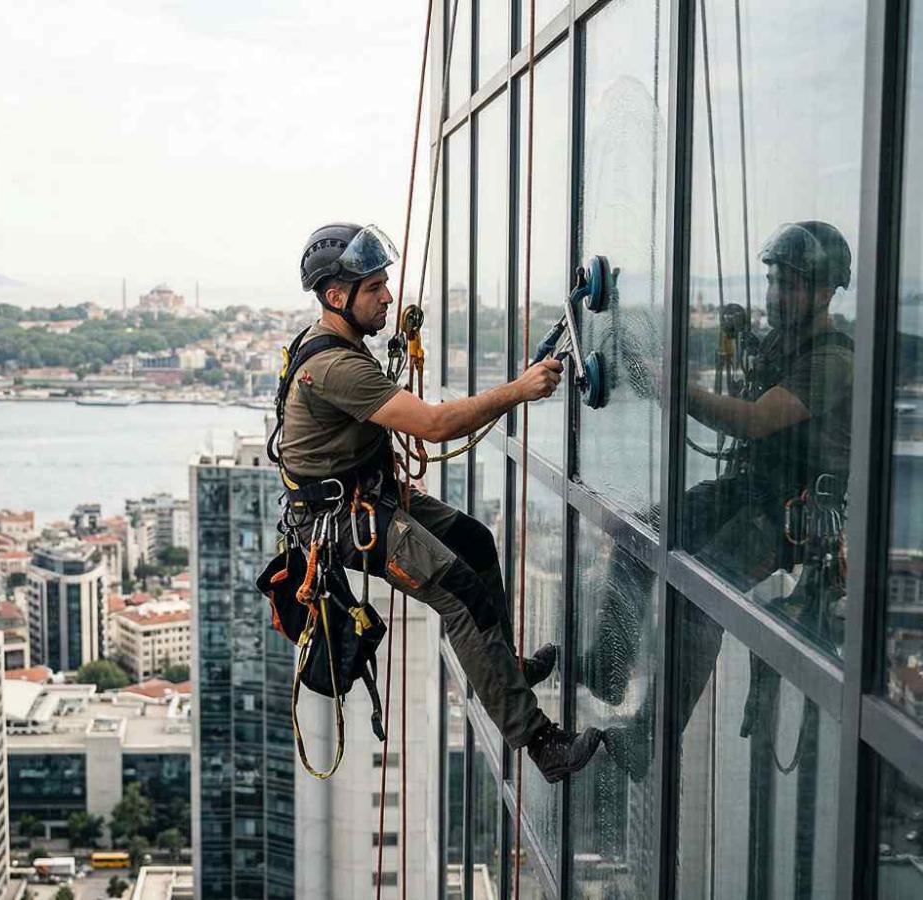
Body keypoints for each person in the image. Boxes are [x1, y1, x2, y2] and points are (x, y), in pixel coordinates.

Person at [274, 222, 602, 783]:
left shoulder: (332, 343)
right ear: (337, 297)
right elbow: (433, 425)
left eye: (383, 284)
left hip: (363, 499)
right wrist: (519, 390)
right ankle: (542, 744)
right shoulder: (335, 366)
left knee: (475, 541)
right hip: (344, 521)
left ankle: (506, 666)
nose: (387, 296)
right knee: (458, 593)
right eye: (374, 287)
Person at [588, 220, 855, 778]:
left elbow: (758, 421)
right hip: (750, 492)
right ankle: (608, 670)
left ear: (828, 291)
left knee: (700, 593)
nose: (779, 296)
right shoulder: (785, 344)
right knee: (642, 533)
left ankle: (648, 738)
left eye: (794, 285)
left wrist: (675, 391)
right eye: (776, 282)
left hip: (788, 518)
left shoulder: (833, 360)